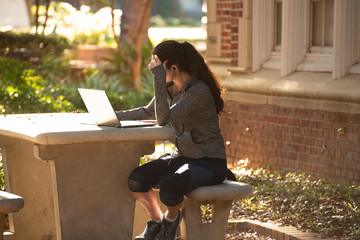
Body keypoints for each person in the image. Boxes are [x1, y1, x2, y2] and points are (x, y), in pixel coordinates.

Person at [116, 40, 228, 240]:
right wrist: (113, 116)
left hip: (210, 162)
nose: (153, 69)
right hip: (184, 157)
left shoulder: (198, 91)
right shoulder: (170, 89)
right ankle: (157, 222)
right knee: (137, 179)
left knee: (170, 188)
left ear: (173, 67)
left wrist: (158, 78)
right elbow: (150, 111)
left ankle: (170, 221)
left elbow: (164, 118)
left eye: (157, 66)